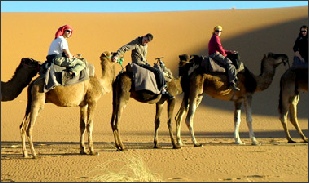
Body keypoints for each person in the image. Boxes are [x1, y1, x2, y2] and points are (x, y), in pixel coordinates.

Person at [112, 33, 174, 99]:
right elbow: (125, 48)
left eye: (147, 42)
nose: (145, 42)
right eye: (145, 40)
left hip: (144, 63)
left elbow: (144, 56)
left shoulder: (145, 45)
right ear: (144, 37)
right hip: (138, 64)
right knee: (157, 72)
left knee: (159, 69)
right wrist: (117, 56)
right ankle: (163, 90)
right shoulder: (135, 43)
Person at [207, 25, 240, 91]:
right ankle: (231, 83)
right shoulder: (216, 38)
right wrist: (225, 54)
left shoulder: (214, 37)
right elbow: (220, 48)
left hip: (214, 53)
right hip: (215, 54)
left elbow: (221, 48)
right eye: (217, 31)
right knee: (230, 64)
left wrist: (230, 52)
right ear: (214, 31)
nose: (218, 32)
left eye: (220, 31)